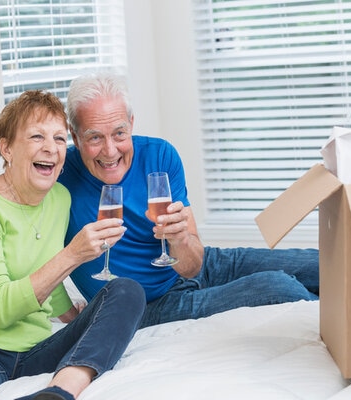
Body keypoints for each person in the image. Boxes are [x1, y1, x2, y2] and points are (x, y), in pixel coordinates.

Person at [0, 90, 146, 400]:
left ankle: (58, 392)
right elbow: (0, 309)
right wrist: (72, 255)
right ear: (7, 148)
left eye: (58, 138)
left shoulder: (59, 199)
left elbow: (43, 273)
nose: (51, 148)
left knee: (127, 291)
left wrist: (70, 314)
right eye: (37, 137)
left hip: (34, 349)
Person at [58, 72, 319, 329]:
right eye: (94, 137)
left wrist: (179, 239)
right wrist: (69, 314)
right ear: (75, 135)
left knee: (318, 264)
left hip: (200, 265)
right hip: (149, 307)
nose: (110, 150)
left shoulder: (159, 155)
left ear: (131, 123)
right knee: (280, 287)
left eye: (119, 133)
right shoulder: (58, 178)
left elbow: (193, 266)